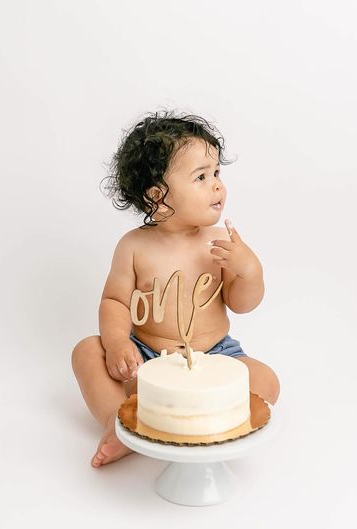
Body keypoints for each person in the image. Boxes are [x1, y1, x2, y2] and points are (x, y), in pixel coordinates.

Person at [71, 110, 280, 468]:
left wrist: (249, 271)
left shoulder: (220, 243)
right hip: (147, 358)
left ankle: (197, 418)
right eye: (201, 176)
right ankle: (120, 423)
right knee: (87, 352)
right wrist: (119, 343)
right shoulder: (134, 247)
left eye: (216, 173)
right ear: (159, 197)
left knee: (267, 381)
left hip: (215, 357)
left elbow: (241, 304)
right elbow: (115, 301)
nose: (217, 185)